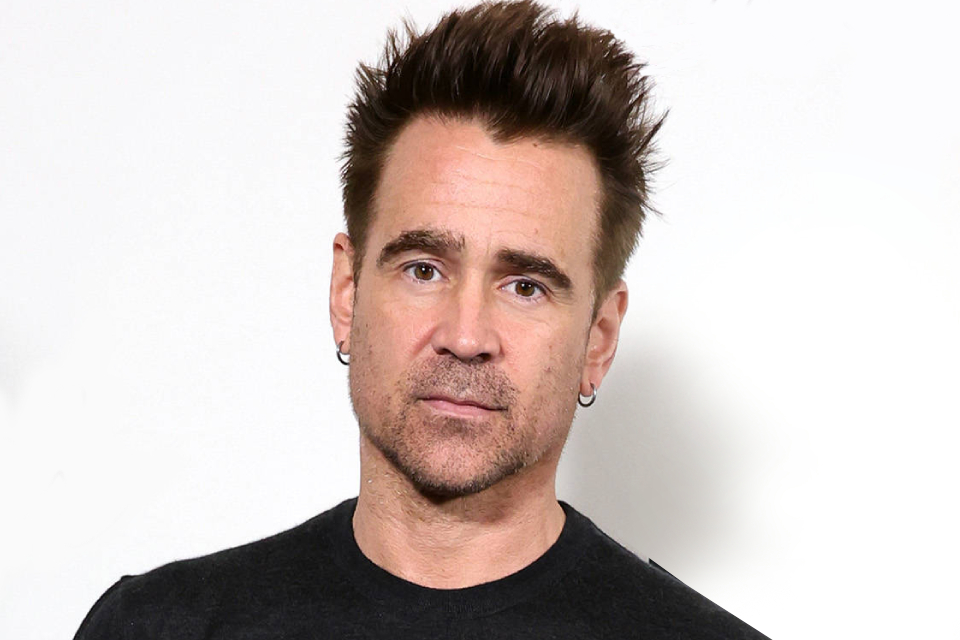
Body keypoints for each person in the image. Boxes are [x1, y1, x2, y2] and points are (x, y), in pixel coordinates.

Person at [74, 1, 768, 638]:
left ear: (598, 339)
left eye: (525, 287)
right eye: (423, 270)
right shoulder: (156, 629)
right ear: (347, 293)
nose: (465, 338)